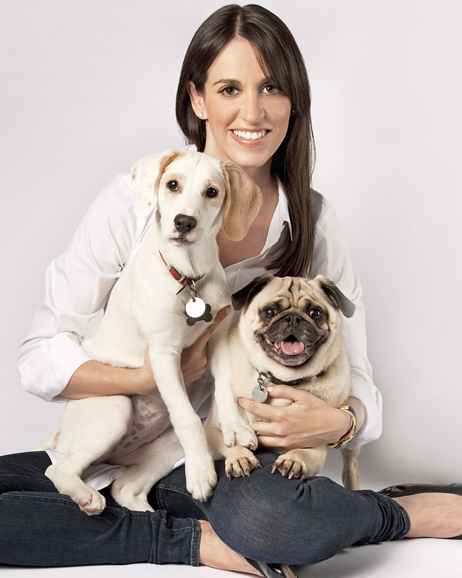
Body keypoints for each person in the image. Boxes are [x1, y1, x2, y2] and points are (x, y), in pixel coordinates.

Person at [3, 4, 461, 577]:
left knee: (273, 518)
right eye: (228, 88)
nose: (252, 111)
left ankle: (398, 512)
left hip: (237, 455)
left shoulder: (313, 221)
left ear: (294, 102)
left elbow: (361, 379)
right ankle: (192, 538)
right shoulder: (136, 201)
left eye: (271, 87)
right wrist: (144, 380)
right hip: (124, 437)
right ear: (197, 101)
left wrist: (338, 423)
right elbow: (38, 357)